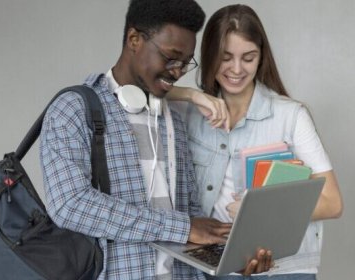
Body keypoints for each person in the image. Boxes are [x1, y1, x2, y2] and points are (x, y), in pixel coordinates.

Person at [39, 1, 272, 279]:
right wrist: (182, 227)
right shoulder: (72, 110)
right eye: (170, 58)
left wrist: (230, 256)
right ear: (134, 40)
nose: (177, 72)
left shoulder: (172, 117)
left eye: (186, 63)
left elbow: (192, 212)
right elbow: (70, 205)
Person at [168, 4, 343, 280]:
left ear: (261, 57)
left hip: (284, 268)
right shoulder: (190, 113)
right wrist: (191, 94)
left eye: (248, 57)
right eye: (225, 57)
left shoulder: (291, 116)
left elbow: (332, 203)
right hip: (214, 264)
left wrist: (257, 212)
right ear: (209, 55)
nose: (236, 69)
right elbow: (141, 90)